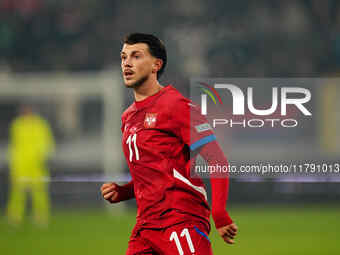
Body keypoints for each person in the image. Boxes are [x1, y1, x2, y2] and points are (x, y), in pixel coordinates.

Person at [101, 33, 237, 254]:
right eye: (123, 57)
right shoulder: (128, 117)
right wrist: (123, 191)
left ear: (156, 64)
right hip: (145, 228)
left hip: (180, 220)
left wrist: (219, 212)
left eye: (136, 56)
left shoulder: (176, 105)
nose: (126, 63)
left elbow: (217, 160)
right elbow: (157, 174)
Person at [6, 104, 55, 226]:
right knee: (18, 191)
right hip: (20, 163)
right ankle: (15, 216)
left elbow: (48, 141)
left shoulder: (40, 124)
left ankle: (41, 217)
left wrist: (45, 156)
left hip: (37, 163)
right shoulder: (17, 125)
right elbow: (14, 145)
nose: (26, 112)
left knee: (39, 191)